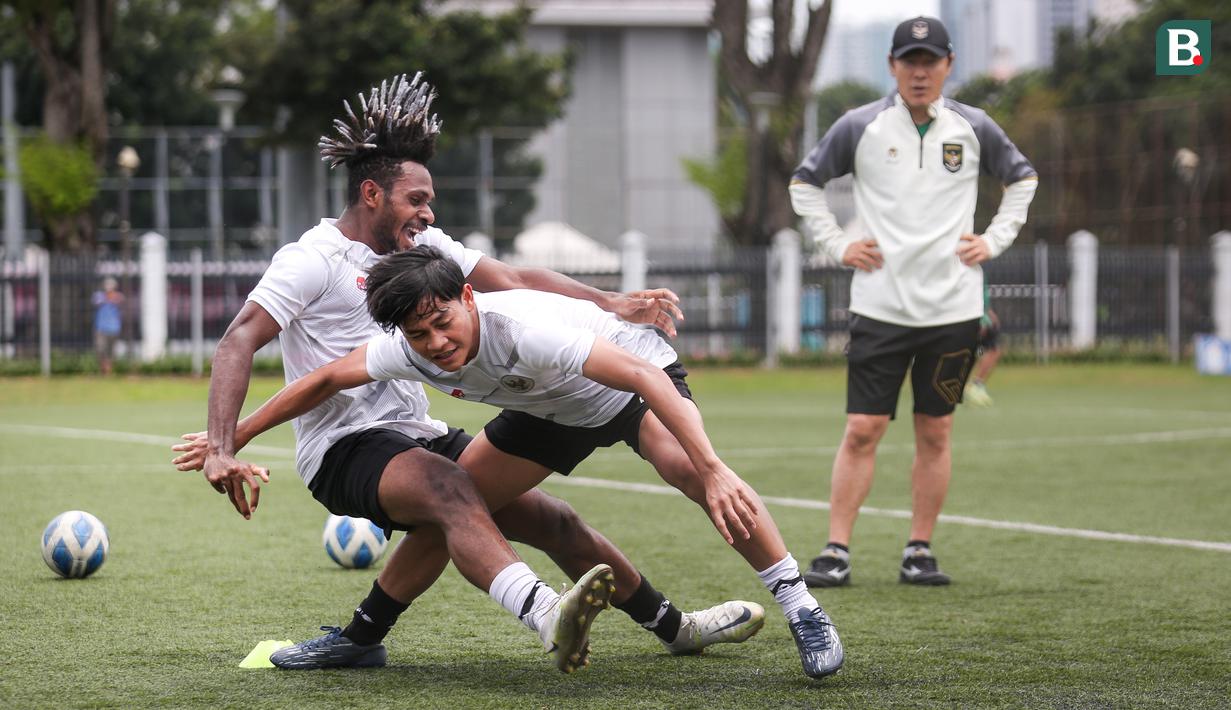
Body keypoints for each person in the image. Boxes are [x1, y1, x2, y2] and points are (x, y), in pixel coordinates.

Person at [176, 73, 759, 673]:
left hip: (416, 434)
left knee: (555, 520)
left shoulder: (424, 252)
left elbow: (516, 280)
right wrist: (224, 445)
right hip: (342, 449)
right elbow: (240, 337)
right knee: (450, 489)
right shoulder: (310, 260)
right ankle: (545, 615)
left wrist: (606, 301)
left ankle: (674, 628)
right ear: (372, 193)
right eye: (417, 200)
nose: (429, 211)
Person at [203, 245, 846, 680]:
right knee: (456, 506)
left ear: (468, 297)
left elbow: (642, 376)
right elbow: (325, 379)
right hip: (545, 412)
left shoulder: (529, 333)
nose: (437, 343)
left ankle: (802, 609)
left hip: (622, 387)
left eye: (443, 321)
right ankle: (363, 634)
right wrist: (230, 441)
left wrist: (710, 466)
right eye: (419, 334)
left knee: (696, 478)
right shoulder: (412, 349)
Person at [789, 16, 1037, 587]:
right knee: (862, 428)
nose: (919, 72)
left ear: (949, 64)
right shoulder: (860, 125)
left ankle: (919, 550)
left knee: (936, 430)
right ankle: (835, 551)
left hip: (954, 313)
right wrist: (839, 244)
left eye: (930, 61)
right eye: (908, 60)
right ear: (892, 67)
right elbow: (804, 184)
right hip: (880, 309)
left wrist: (993, 239)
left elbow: (1023, 179)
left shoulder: (974, 126)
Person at [965, 285, 1000, 407]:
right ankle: (974, 385)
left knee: (990, 351)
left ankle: (976, 385)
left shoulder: (980, 272)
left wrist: (989, 312)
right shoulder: (969, 269)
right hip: (977, 318)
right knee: (990, 351)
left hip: (982, 317)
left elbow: (983, 296)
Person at [92, 277, 123, 375]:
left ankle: (108, 371)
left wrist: (112, 298)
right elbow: (96, 301)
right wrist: (108, 298)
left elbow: (120, 300)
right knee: (100, 348)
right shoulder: (99, 296)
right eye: (107, 285)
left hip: (114, 328)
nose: (109, 287)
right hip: (101, 328)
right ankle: (103, 368)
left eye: (111, 285)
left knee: (111, 351)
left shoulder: (118, 296)